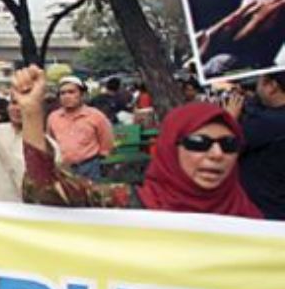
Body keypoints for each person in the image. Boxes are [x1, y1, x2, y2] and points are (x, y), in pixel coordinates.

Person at [15, 65, 262, 218]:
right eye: (199, 143)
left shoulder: (252, 223)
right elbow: (47, 190)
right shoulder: (129, 204)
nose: (217, 154)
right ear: (170, 149)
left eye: (229, 145)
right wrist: (31, 112)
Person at [225, 71, 285, 220]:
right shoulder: (269, 117)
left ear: (272, 86)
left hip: (265, 211)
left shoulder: (267, 122)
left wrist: (229, 119)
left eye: (259, 81)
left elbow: (226, 147)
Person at [46, 75, 113, 180]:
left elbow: (106, 142)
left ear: (82, 94)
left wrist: (100, 161)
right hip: (63, 168)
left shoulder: (96, 116)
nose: (67, 96)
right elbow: (50, 143)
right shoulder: (53, 118)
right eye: (63, 93)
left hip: (89, 167)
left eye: (71, 92)